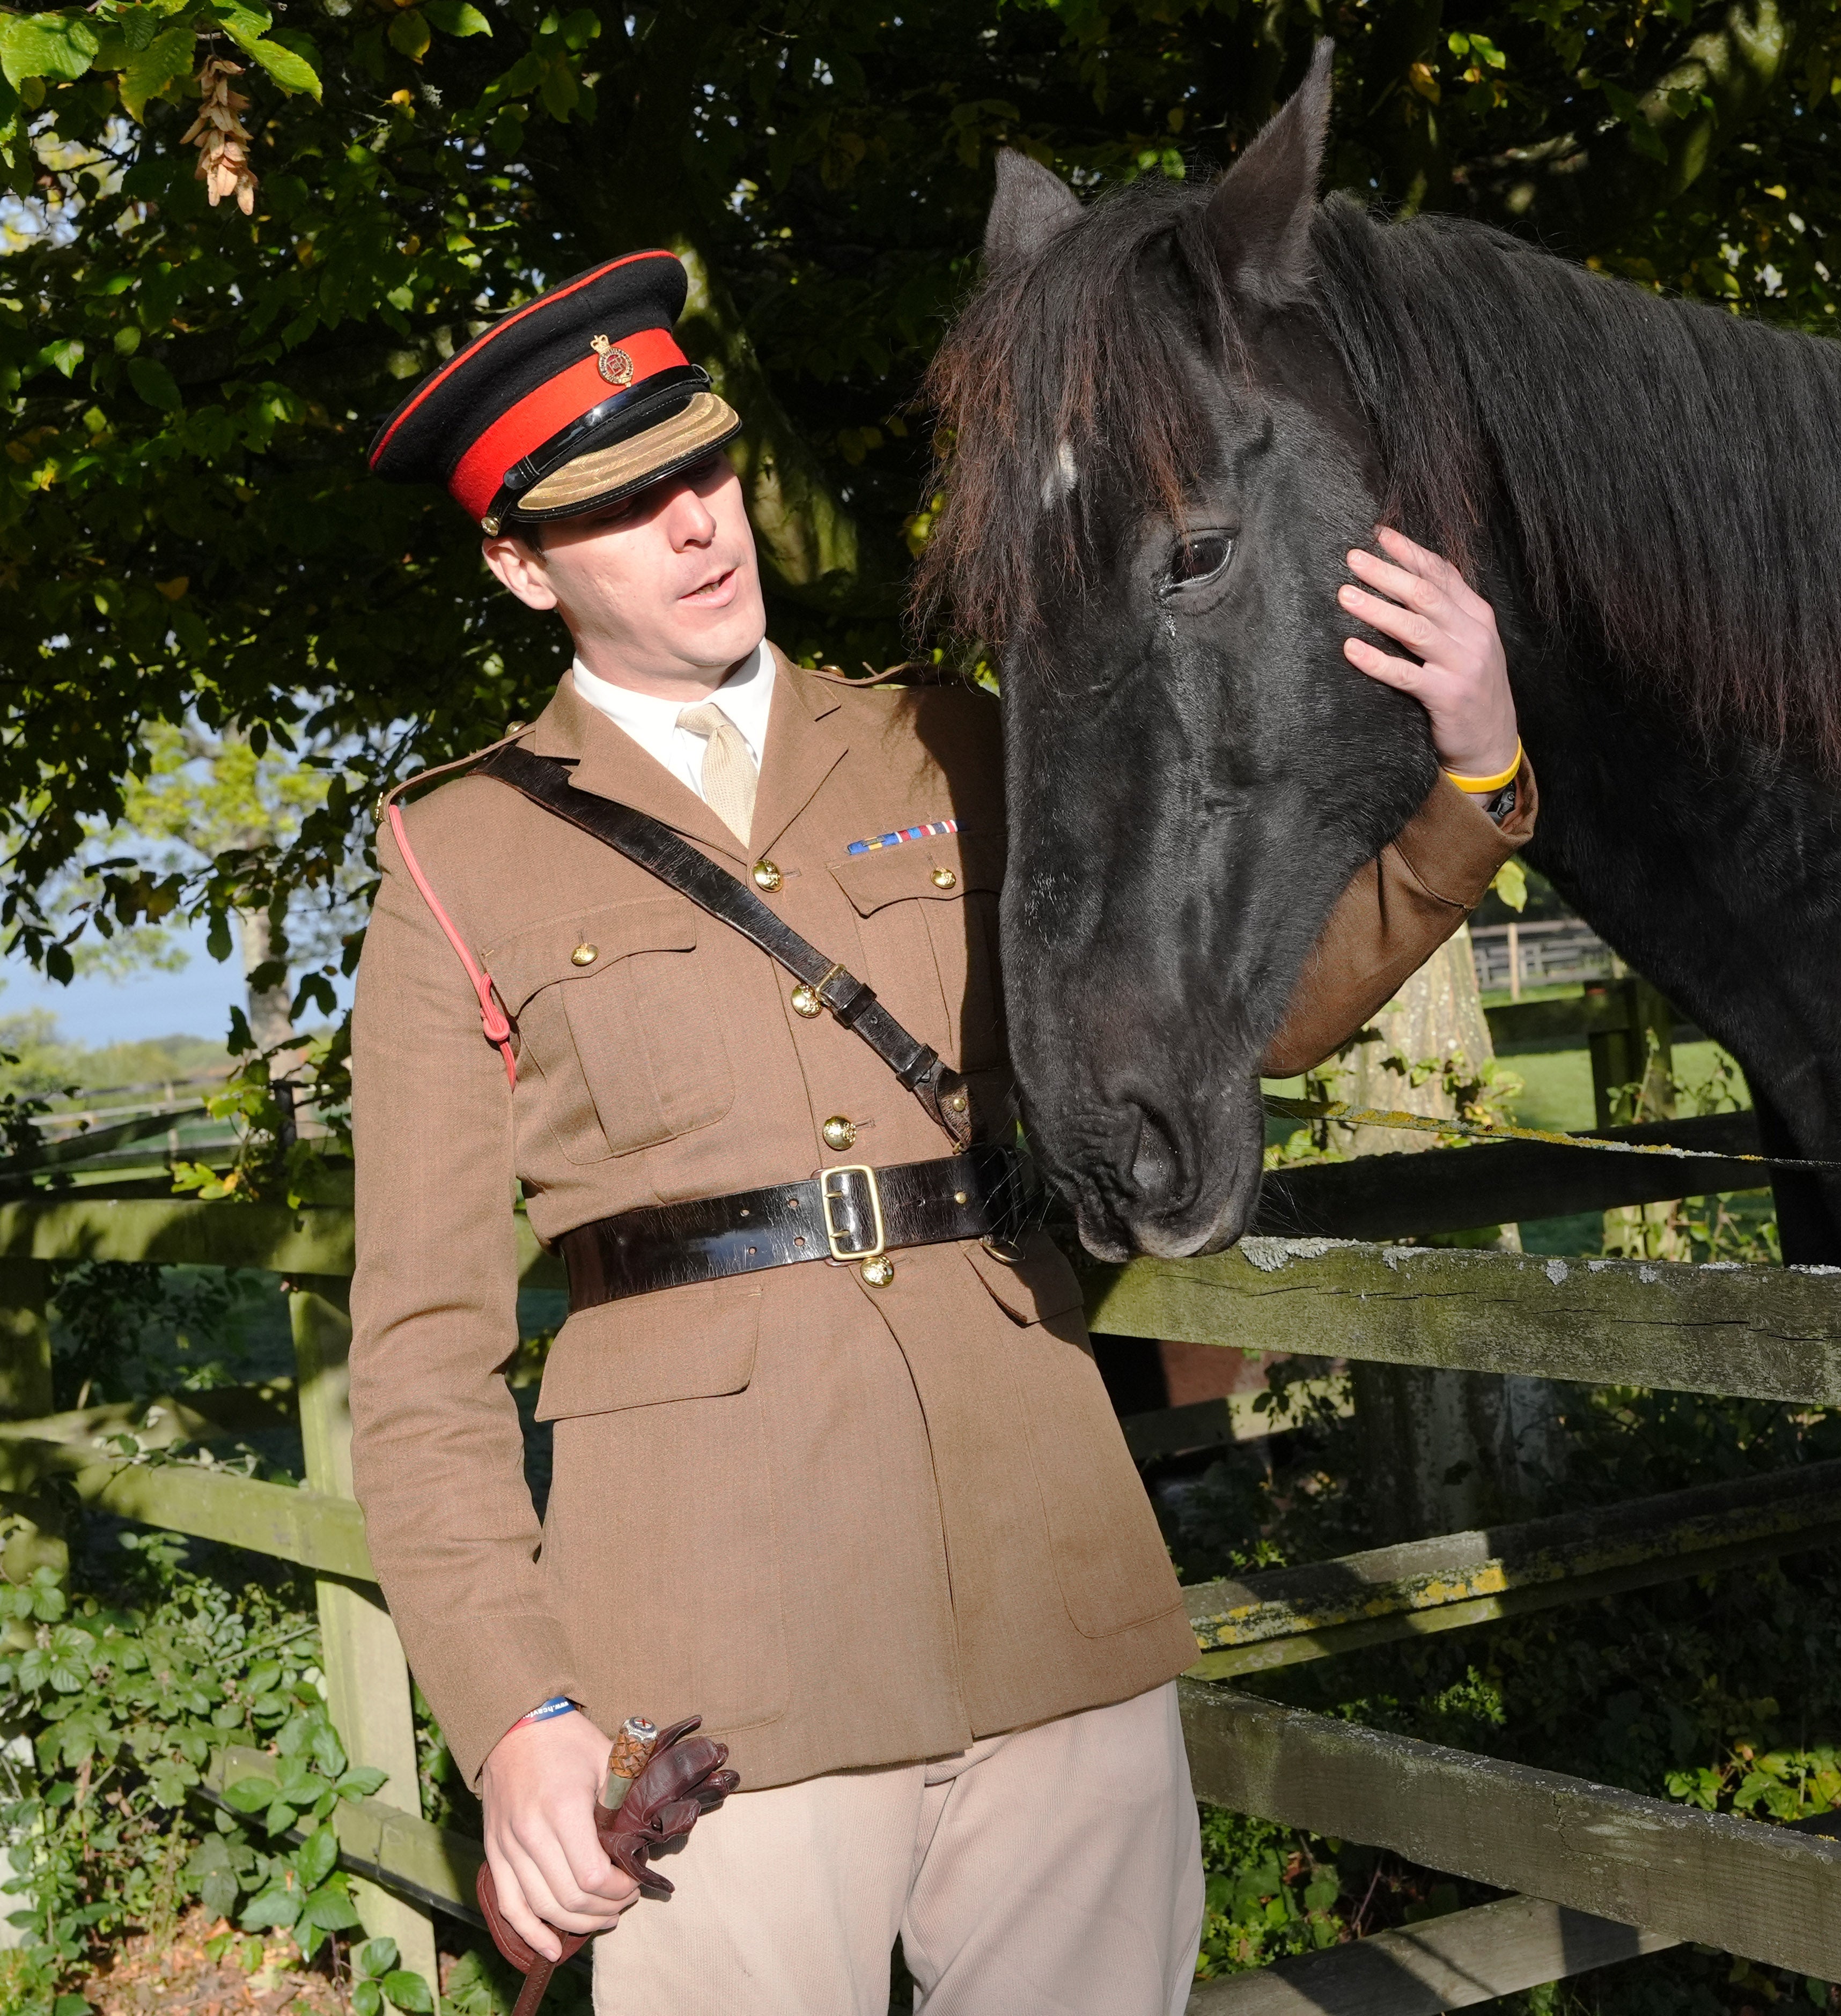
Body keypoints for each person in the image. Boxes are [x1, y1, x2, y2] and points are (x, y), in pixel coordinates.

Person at [348, 250, 1533, 2013]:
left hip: (1048, 1588)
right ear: (521, 566)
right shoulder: (459, 862)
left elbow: (1230, 1023)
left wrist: (1473, 782)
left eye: (702, 470)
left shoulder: (953, 745)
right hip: (715, 1662)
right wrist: (521, 1715)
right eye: (622, 507)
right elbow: (425, 1363)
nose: (695, 527)